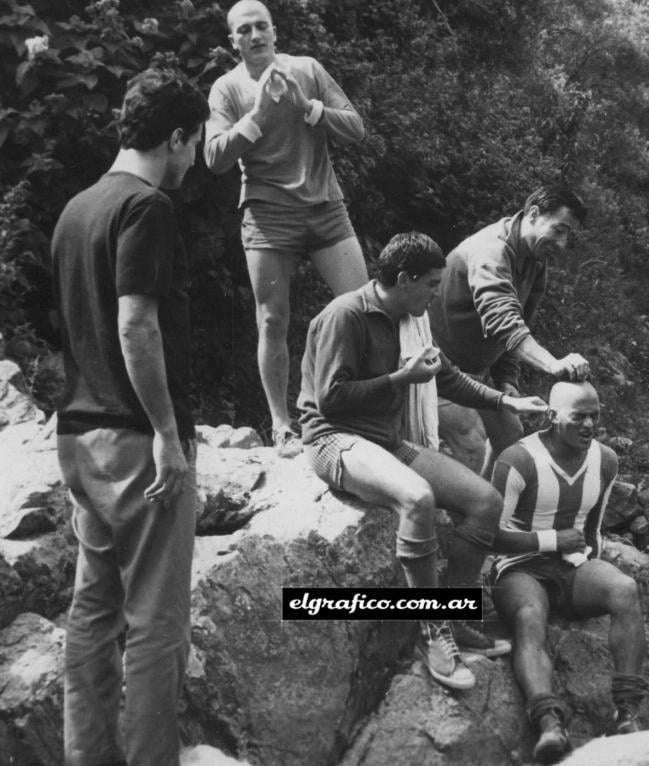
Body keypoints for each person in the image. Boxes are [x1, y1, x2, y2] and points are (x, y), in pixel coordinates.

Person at [298, 232, 549, 690]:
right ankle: (432, 629)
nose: (437, 293)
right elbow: (330, 401)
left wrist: (508, 403)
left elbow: (447, 378)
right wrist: (400, 378)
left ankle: (454, 616)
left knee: (485, 502)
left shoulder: (409, 318)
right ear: (405, 279)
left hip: (385, 441)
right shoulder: (346, 315)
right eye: (432, 284)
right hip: (334, 440)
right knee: (418, 499)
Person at [51, 68, 208, 766]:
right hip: (139, 440)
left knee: (93, 609)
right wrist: (170, 436)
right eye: (195, 143)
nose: (194, 159)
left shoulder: (76, 209)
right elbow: (136, 325)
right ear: (175, 136)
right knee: (156, 624)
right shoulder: (148, 208)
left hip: (79, 436)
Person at [204, 0, 369, 457]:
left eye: (261, 27)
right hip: (268, 213)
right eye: (244, 31)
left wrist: (307, 106)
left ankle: (351, 413)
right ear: (232, 41)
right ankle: (282, 425)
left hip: (324, 206)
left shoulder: (307, 69)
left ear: (275, 32)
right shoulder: (226, 88)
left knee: (361, 309)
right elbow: (214, 157)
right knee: (272, 320)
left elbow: (355, 128)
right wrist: (256, 115)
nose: (255, 36)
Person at [490, 381, 649, 763]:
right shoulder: (517, 460)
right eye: (578, 416)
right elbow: (490, 536)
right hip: (518, 568)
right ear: (551, 417)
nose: (589, 424)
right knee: (531, 617)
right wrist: (551, 541)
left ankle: (627, 713)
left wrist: (587, 564)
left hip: (570, 569)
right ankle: (549, 723)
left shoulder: (605, 460)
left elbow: (593, 530)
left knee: (625, 589)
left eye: (595, 415)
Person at [428, 186, 592, 475]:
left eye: (568, 235)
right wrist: (553, 364)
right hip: (432, 370)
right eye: (559, 230)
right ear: (532, 214)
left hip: (473, 376)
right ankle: (467, 516)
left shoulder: (534, 261)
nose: (562, 243)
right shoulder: (491, 250)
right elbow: (503, 321)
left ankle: (489, 505)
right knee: (473, 442)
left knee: (511, 437)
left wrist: (506, 379)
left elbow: (519, 325)